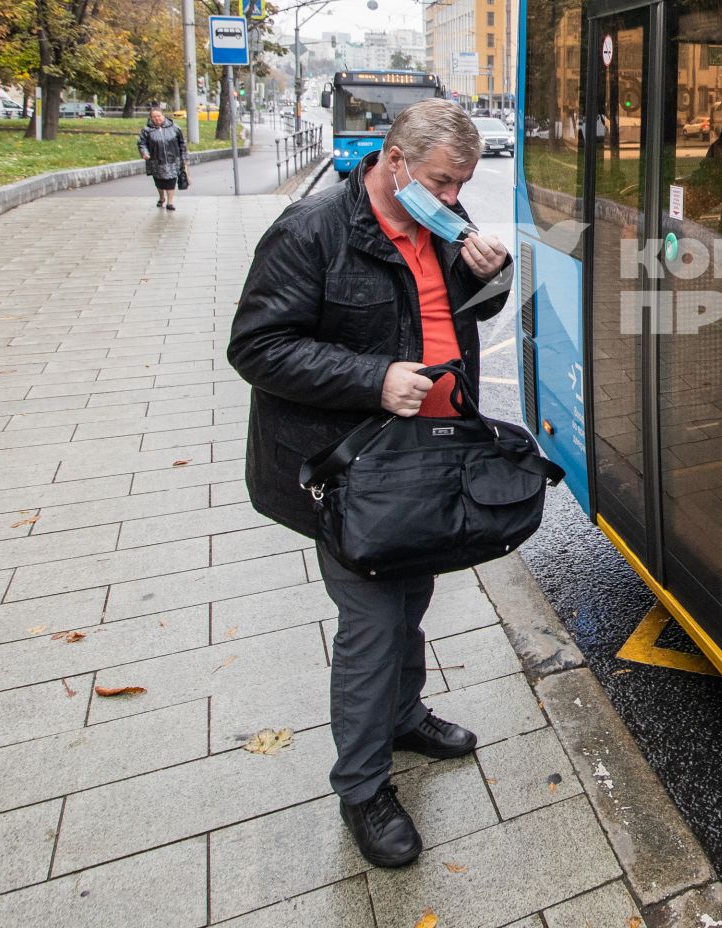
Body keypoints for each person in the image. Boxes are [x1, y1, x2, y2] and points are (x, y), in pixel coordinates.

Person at [226, 99, 512, 868]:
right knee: (374, 622)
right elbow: (257, 346)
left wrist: (494, 275)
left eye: (462, 185)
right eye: (443, 182)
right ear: (393, 162)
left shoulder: (440, 223)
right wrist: (373, 378)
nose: (455, 199)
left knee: (412, 596)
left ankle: (403, 716)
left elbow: (467, 314)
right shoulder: (312, 230)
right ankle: (362, 788)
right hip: (354, 473)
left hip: (427, 458)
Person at [137, 104, 188, 210]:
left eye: (159, 116)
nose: (157, 118)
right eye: (154, 117)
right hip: (156, 160)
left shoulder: (174, 128)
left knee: (171, 181)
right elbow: (142, 144)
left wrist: (184, 158)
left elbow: (182, 143)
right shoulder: (147, 130)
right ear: (151, 118)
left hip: (173, 160)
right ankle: (161, 198)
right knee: (159, 181)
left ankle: (170, 202)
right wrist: (144, 153)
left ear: (163, 116)